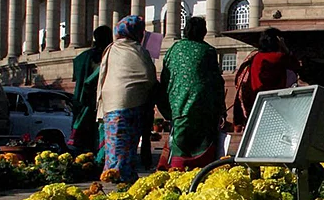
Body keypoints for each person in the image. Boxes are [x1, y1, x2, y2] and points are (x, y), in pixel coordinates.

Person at [157, 17, 226, 169]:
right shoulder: (207, 51)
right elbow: (216, 82)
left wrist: (167, 106)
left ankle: (176, 174)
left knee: (180, 146)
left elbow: (165, 78)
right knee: (202, 146)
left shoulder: (174, 49)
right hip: (202, 108)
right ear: (204, 31)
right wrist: (221, 109)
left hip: (178, 107)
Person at [96, 16, 157, 183]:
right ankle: (123, 177)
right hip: (131, 104)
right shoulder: (137, 49)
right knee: (126, 145)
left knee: (114, 143)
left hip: (110, 104)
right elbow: (147, 76)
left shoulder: (112, 48)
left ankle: (113, 173)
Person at [233, 27, 302, 127]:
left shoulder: (255, 56)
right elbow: (296, 65)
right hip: (275, 105)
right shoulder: (279, 57)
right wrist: (285, 48)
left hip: (255, 103)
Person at [69, 25, 112, 152]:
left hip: (81, 102)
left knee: (82, 144)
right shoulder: (107, 57)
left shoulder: (81, 58)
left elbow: (77, 78)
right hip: (99, 103)